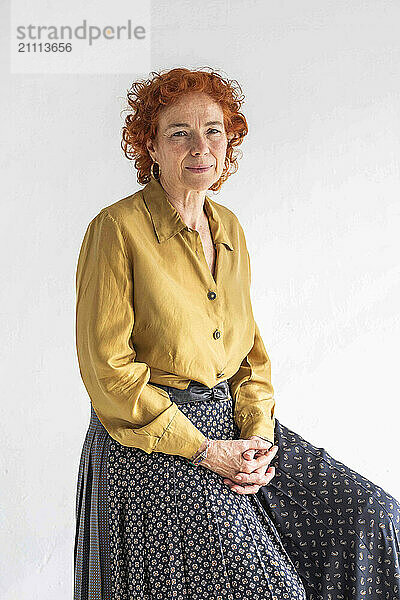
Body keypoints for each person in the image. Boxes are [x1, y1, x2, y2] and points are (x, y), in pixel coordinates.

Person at [74, 67, 400, 600]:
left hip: (236, 423)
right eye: (179, 132)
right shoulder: (116, 230)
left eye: (214, 131)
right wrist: (206, 450)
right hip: (154, 437)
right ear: (150, 146)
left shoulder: (228, 226)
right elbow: (108, 373)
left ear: (230, 144)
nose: (199, 146)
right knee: (266, 588)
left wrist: (258, 437)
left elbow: (250, 353)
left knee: (373, 517)